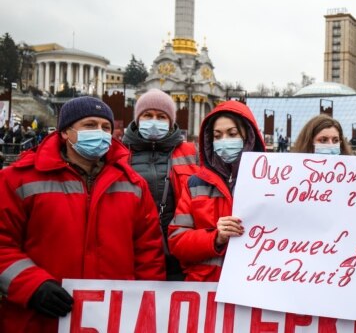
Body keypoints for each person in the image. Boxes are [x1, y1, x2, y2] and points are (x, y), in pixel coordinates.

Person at [0, 97, 165, 332]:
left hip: (111, 319)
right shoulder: (18, 179)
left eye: (105, 127)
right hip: (38, 319)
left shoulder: (134, 185)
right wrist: (32, 285)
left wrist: (143, 303)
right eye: (90, 125)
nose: (100, 132)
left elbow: (149, 254)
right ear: (66, 132)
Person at [168, 100, 265, 281]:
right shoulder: (195, 184)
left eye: (232, 133)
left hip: (252, 287)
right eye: (217, 136)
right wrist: (215, 238)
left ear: (248, 136)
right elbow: (177, 241)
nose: (224, 141)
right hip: (204, 290)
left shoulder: (268, 183)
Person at [122, 88, 200, 281]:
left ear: (171, 121)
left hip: (180, 253)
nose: (154, 121)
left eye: (161, 116)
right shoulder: (120, 154)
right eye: (147, 115)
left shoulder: (191, 153)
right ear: (138, 119)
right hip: (134, 252)